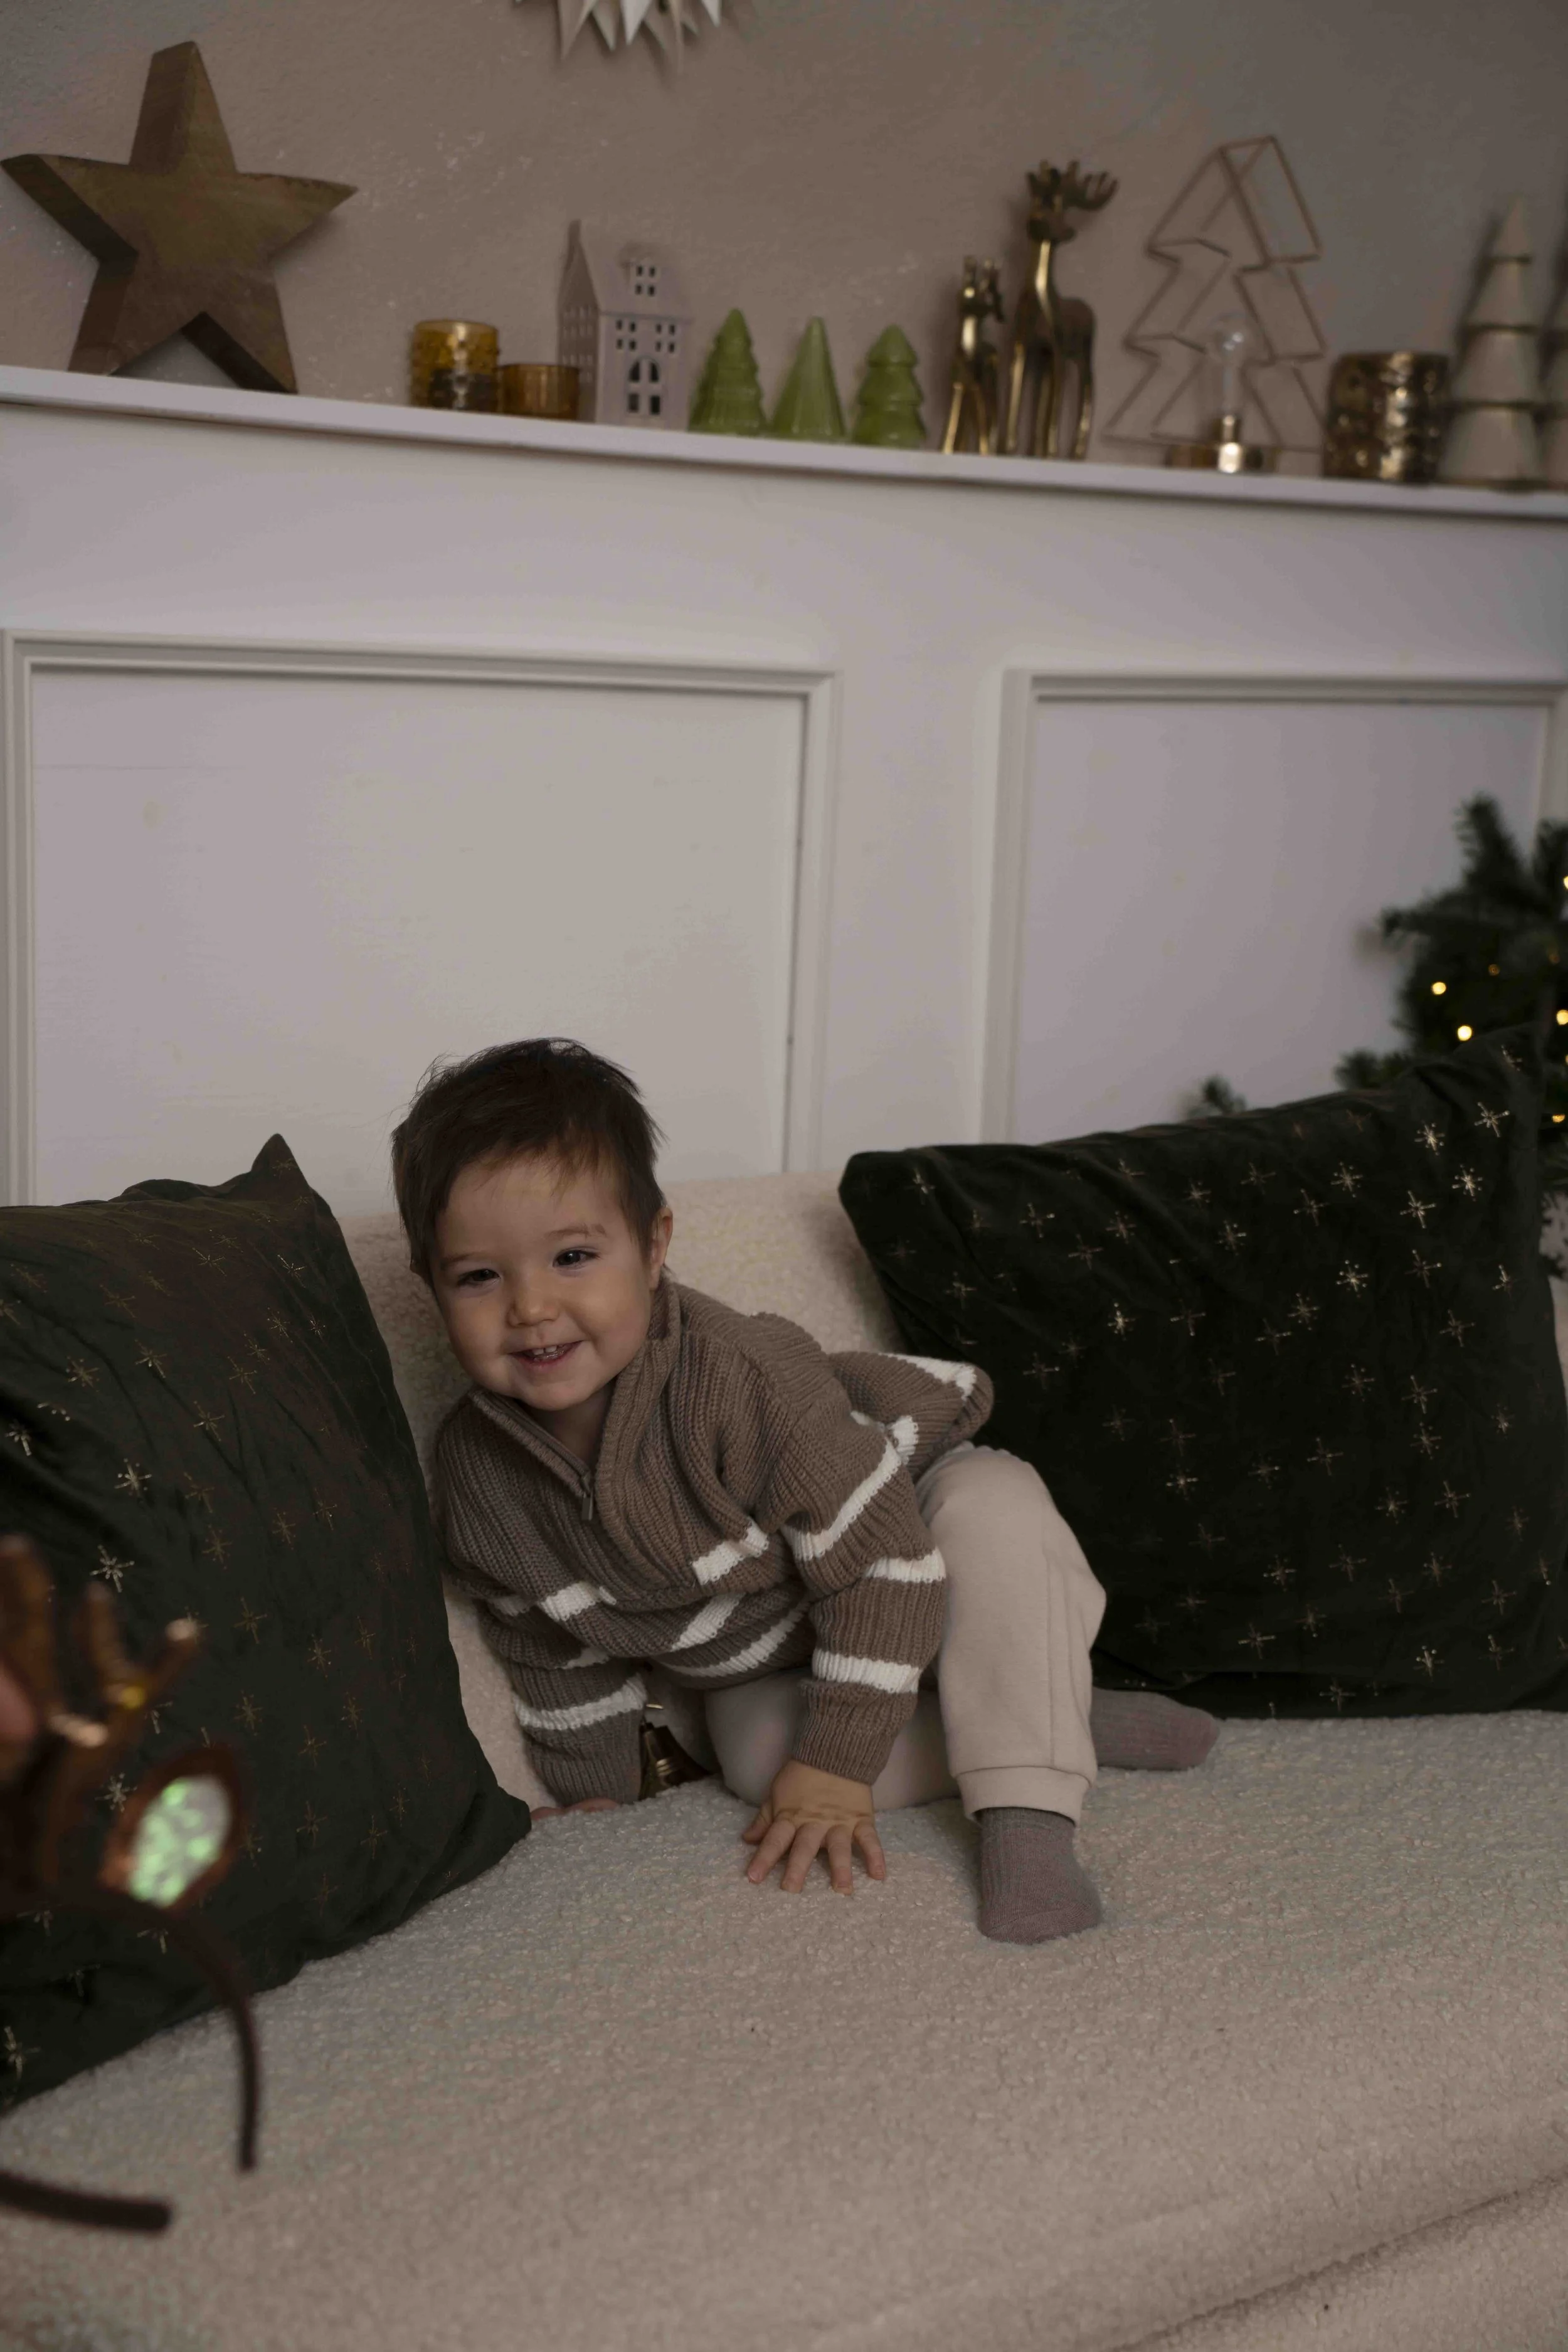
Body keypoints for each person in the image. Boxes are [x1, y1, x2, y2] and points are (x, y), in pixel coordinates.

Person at [393, 1039, 1217, 1947]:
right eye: (479, 1276)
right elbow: (551, 1648)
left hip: (910, 1527)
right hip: (788, 1647)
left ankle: (1029, 1814)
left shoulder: (742, 1378)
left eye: (574, 1256)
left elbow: (882, 1569)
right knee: (756, 1760)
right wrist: (603, 1789)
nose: (530, 1307)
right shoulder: (480, 1481)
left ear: (654, 1246)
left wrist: (838, 1765)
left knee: (996, 1513)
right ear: (431, 1285)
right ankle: (1047, 1709)